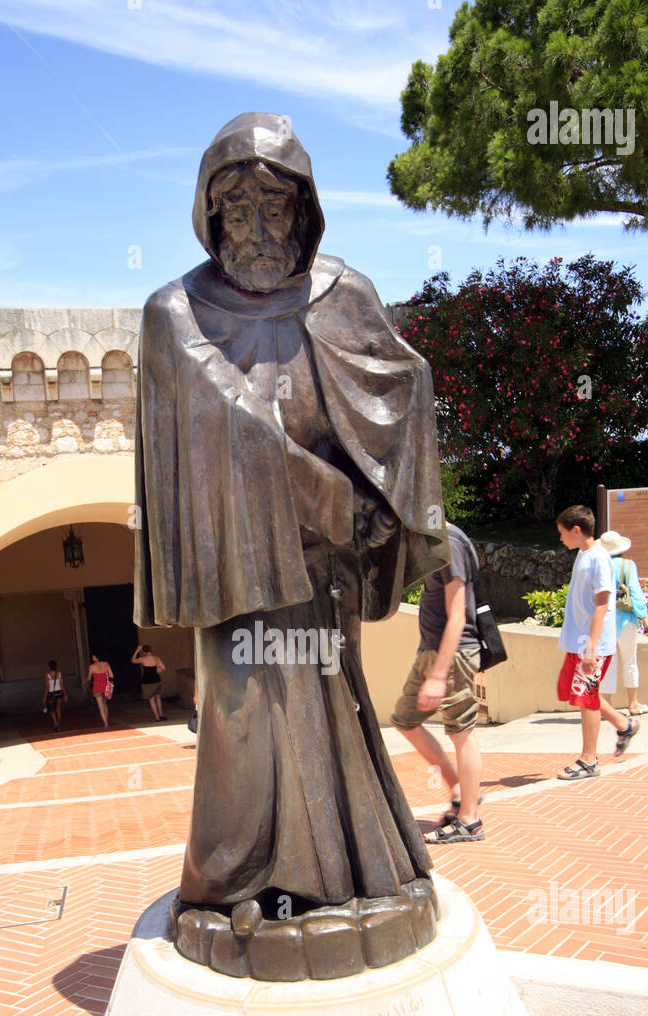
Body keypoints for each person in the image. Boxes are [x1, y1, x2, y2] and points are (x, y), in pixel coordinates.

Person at [133, 112, 448, 930]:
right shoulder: (174, 312)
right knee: (240, 721)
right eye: (238, 211)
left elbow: (403, 389)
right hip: (238, 565)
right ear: (211, 216)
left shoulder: (342, 295)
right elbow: (220, 417)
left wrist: (376, 500)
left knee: (331, 707)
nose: (259, 228)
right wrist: (322, 491)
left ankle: (347, 872)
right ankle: (234, 884)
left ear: (304, 212)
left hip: (320, 565)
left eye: (276, 207)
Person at [391, 523, 484, 843]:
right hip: (430, 651)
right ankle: (458, 788)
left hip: (453, 655)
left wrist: (438, 674)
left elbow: (457, 616)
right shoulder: (432, 540)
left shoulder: (450, 541)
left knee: (462, 732)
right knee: (405, 719)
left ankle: (470, 820)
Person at [555, 505, 639, 780]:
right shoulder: (583, 554)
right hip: (580, 643)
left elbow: (602, 604)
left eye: (562, 533)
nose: (561, 539)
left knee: (587, 698)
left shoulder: (599, 558)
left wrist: (591, 648)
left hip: (592, 645)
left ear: (576, 531)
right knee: (581, 695)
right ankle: (623, 725)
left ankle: (589, 760)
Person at [597, 530, 648, 716]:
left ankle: (606, 708)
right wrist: (645, 619)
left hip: (604, 622)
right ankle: (633, 705)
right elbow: (636, 593)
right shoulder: (628, 566)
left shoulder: (598, 566)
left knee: (607, 665)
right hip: (626, 621)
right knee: (630, 662)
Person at [131, 642, 167, 721]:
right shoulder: (156, 658)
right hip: (157, 679)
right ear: (151, 650)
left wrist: (137, 650)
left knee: (151, 699)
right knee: (158, 697)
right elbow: (164, 667)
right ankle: (161, 715)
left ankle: (157, 717)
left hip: (147, 681)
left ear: (143, 652)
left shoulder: (142, 659)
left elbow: (133, 660)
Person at [85, 652, 114, 730]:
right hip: (105, 687)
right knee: (105, 704)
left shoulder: (92, 667)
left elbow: (89, 678)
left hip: (97, 687)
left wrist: (85, 681)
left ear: (96, 657)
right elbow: (111, 675)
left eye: (93, 656)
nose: (92, 657)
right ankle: (106, 719)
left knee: (100, 706)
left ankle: (105, 723)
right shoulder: (106, 664)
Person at [42, 659, 66, 732]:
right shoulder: (59, 674)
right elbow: (62, 685)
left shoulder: (47, 675)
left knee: (51, 709)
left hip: (51, 693)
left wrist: (44, 697)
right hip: (59, 693)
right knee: (58, 708)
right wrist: (65, 694)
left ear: (49, 667)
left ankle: (55, 723)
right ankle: (58, 723)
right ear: (56, 666)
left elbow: (47, 687)